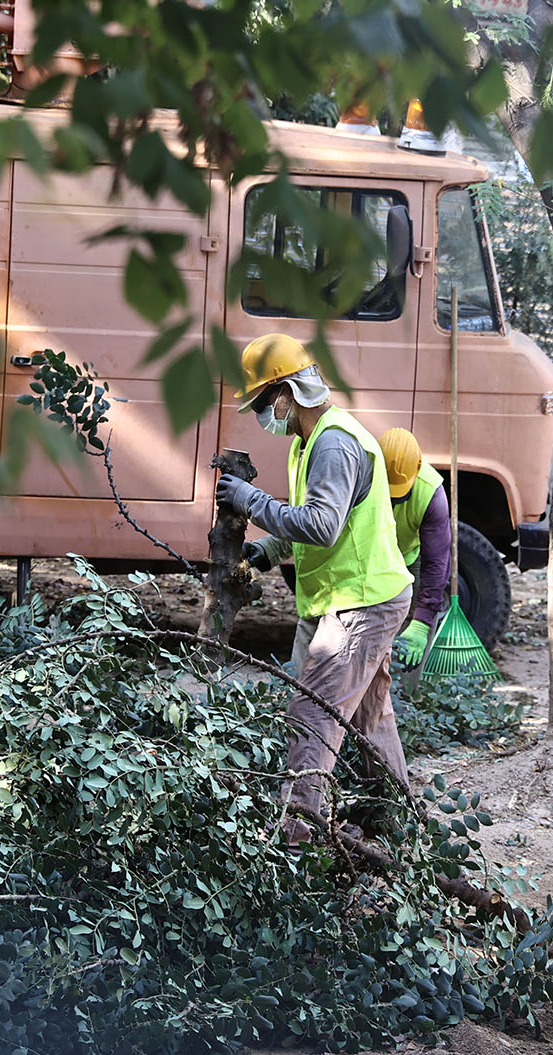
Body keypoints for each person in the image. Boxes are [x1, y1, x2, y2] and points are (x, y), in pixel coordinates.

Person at [216, 333, 414, 845]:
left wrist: (250, 501)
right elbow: (326, 519)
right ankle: (396, 821)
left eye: (263, 402)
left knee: (312, 712)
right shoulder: (312, 440)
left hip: (362, 602)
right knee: (371, 717)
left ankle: (297, 834)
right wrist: (271, 548)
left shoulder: (333, 441)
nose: (263, 414)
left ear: (286, 392)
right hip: (366, 595)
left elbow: (323, 524)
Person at [377, 427, 452, 669]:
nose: (394, 499)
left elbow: (436, 560)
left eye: (399, 491)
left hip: (408, 559)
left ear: (417, 468)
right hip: (368, 561)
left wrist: (423, 619)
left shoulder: (431, 492)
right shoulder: (360, 475)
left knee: (409, 638)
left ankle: (405, 694)